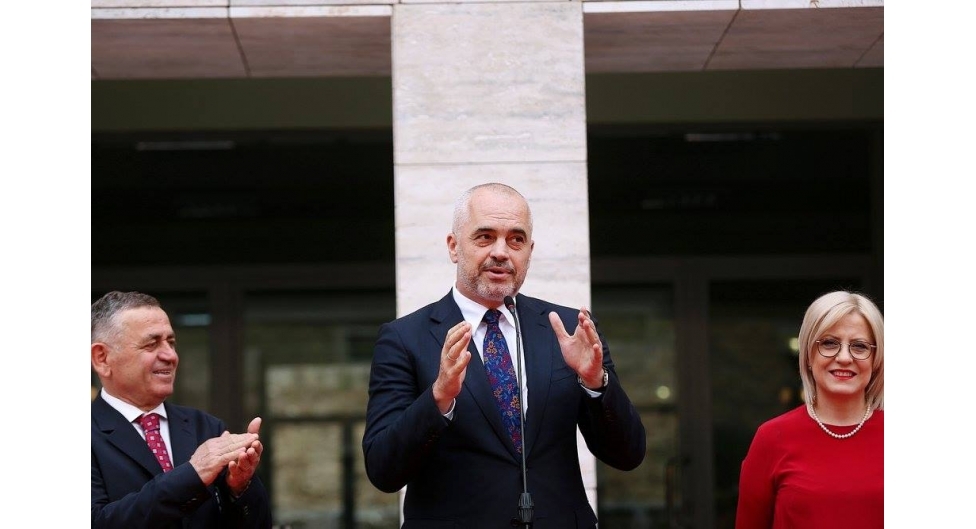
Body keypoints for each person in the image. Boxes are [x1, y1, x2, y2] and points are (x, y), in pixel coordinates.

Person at [362, 182, 647, 528]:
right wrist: (438, 398)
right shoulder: (405, 338)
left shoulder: (570, 329)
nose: (501, 252)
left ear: (529, 250)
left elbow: (628, 454)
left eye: (516, 239)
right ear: (454, 246)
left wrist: (595, 383)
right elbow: (383, 469)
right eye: (485, 237)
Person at [91, 291, 272, 528]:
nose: (170, 355)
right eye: (151, 344)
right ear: (102, 358)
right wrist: (192, 474)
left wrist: (239, 487)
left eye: (171, 342)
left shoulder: (206, 427)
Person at [735, 290, 884, 529]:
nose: (844, 357)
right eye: (829, 343)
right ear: (807, 355)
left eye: (859, 346)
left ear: (876, 359)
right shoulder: (772, 438)